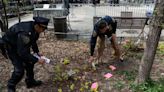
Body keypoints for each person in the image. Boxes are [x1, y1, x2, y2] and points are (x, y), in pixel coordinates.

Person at [2, 16, 49, 92]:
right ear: (37, 25)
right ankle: (11, 86)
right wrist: (37, 59)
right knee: (19, 69)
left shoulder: (35, 30)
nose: (43, 31)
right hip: (11, 46)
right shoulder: (25, 33)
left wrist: (37, 52)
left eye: (44, 29)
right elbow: (22, 53)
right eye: (43, 29)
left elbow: (33, 41)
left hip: (20, 45)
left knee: (30, 62)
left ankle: (30, 81)